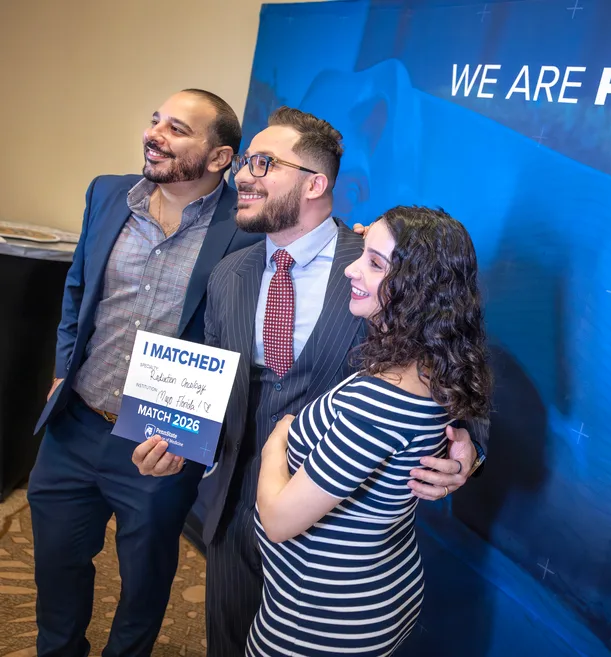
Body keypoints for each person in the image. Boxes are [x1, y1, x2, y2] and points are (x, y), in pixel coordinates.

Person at [131, 107, 488, 656]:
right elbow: (213, 381)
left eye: (262, 163)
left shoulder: (382, 270)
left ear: (316, 182)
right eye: (245, 162)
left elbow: (451, 348)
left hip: (332, 555)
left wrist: (469, 442)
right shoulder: (230, 274)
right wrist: (175, 441)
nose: (243, 175)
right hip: (231, 514)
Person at [27, 89, 259, 657]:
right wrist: (62, 370)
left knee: (144, 581)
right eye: (157, 121)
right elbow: (79, 289)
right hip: (75, 425)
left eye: (178, 129)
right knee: (56, 566)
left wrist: (196, 437)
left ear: (219, 158)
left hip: (160, 443)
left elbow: (241, 344)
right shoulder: (107, 194)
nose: (155, 134)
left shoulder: (244, 227)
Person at [252, 204, 492, 656]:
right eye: (363, 253)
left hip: (322, 616)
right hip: (371, 588)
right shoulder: (428, 367)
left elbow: (279, 521)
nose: (351, 269)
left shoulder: (377, 405)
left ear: (419, 289)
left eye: (375, 263)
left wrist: (277, 440)